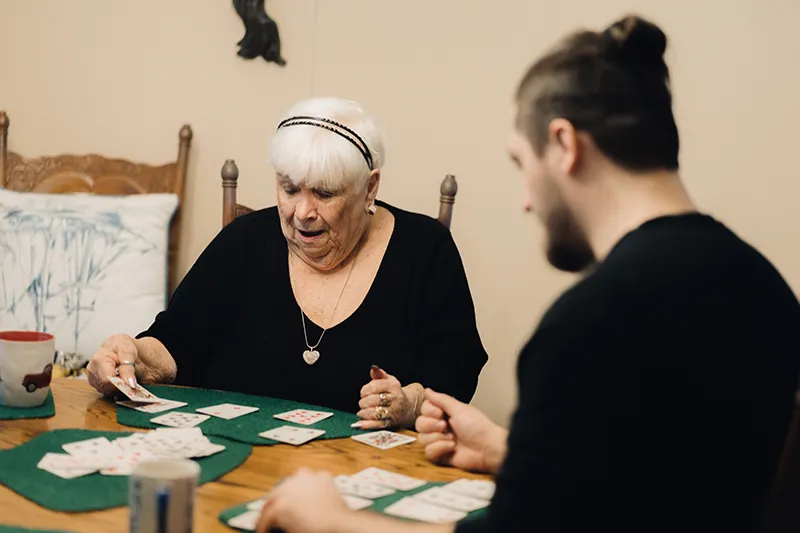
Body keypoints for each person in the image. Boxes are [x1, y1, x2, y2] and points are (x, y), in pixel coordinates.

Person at [252, 14, 800, 533]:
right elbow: (671, 480)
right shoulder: (764, 287)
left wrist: (332, 521)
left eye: (522, 163)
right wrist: (510, 451)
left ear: (564, 145)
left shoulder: (592, 321)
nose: (526, 202)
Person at [86, 97, 488, 429]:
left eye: (325, 193)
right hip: (237, 469)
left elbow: (454, 375)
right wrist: (131, 356)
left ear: (371, 188)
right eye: (289, 188)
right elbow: (175, 344)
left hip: (363, 479)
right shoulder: (243, 242)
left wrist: (409, 403)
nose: (302, 212)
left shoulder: (425, 250)